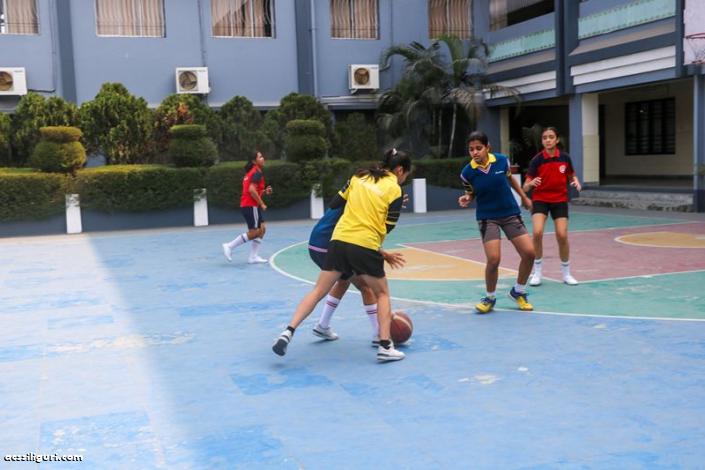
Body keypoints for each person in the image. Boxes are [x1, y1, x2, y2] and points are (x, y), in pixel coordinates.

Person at [272, 150, 412, 362]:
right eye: (406, 175)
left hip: (338, 240)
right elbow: (387, 227)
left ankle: (288, 331)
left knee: (318, 290)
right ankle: (385, 345)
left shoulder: (358, 176)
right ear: (400, 170)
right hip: (364, 244)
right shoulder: (395, 190)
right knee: (382, 293)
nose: (404, 179)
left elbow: (336, 203)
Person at [308, 150, 408, 346]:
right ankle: (379, 336)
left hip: (317, 240)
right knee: (366, 287)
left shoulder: (359, 190)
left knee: (343, 280)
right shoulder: (364, 198)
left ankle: (322, 325)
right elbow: (361, 237)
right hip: (329, 242)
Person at [458, 131, 535, 314]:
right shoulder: (467, 173)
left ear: (487, 147)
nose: (475, 152)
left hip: (510, 213)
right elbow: (471, 192)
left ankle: (518, 291)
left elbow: (510, 180)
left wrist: (524, 197)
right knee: (493, 259)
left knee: (529, 253)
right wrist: (467, 198)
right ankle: (490, 297)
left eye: (478, 148)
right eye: (471, 149)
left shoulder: (501, 161)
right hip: (487, 217)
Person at [522, 127, 582, 286]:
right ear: (542, 141)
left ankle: (566, 274)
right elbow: (525, 187)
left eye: (551, 137)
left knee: (562, 235)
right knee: (537, 232)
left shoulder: (565, 158)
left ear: (557, 140)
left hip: (559, 200)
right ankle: (537, 272)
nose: (548, 140)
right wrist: (531, 183)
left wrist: (576, 181)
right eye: (544, 138)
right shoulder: (537, 160)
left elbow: (571, 175)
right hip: (540, 199)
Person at [222, 152, 272, 264]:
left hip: (249, 205)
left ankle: (253, 257)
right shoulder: (257, 172)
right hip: (250, 205)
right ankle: (229, 246)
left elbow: (253, 190)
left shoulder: (252, 172)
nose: (263, 158)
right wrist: (262, 203)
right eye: (260, 157)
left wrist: (264, 191)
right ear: (254, 161)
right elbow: (251, 190)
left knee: (262, 229)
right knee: (254, 232)